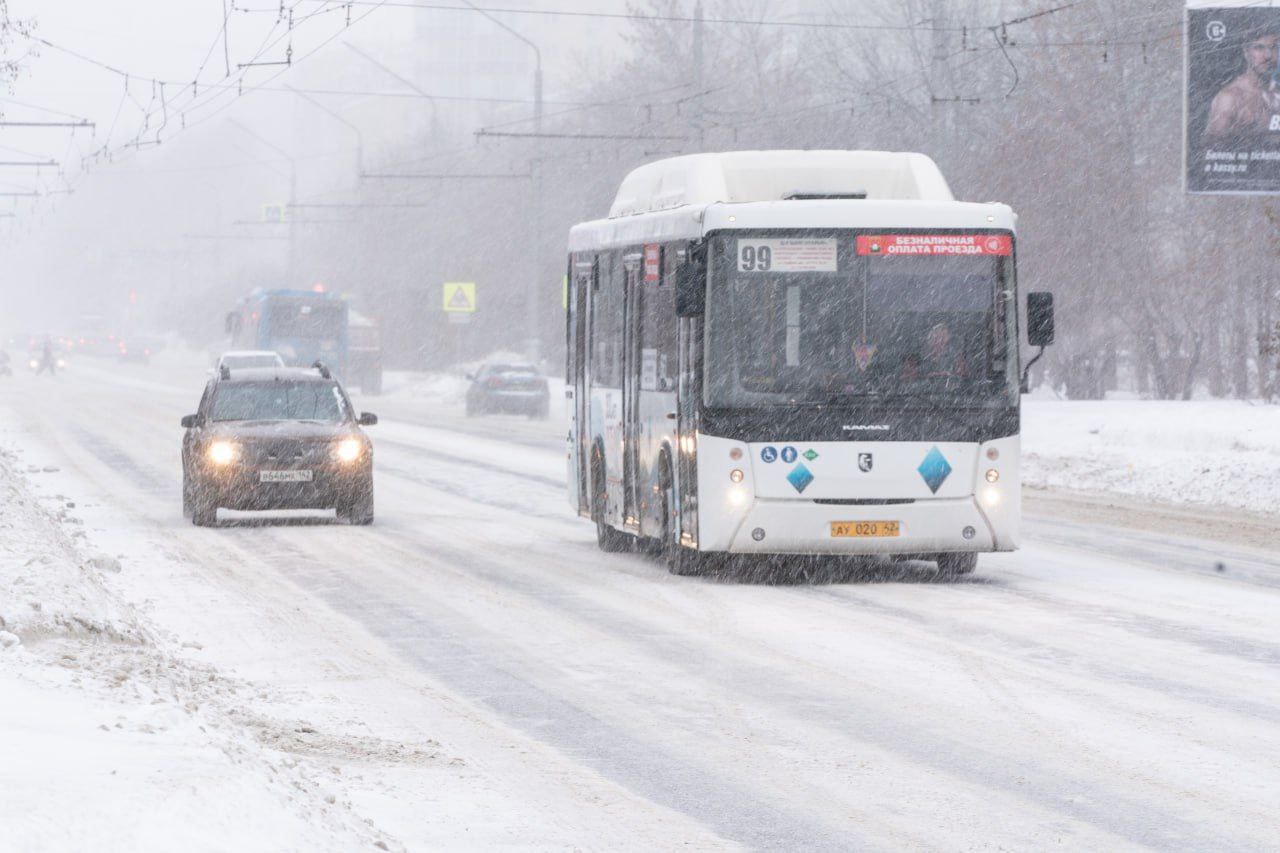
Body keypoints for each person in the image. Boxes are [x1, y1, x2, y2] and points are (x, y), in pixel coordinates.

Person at [1204, 28, 1280, 140]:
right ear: (1246, 52)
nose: (1268, 56)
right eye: (1259, 48)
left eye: (1274, 47)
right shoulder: (1231, 98)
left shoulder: (1276, 94)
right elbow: (1211, 149)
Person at [902, 322, 969, 381]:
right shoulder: (916, 358)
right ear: (929, 339)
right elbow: (905, 378)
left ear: (947, 339)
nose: (940, 341)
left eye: (943, 337)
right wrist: (926, 377)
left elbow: (964, 377)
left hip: (951, 394)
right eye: (936, 337)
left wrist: (949, 376)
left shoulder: (956, 358)